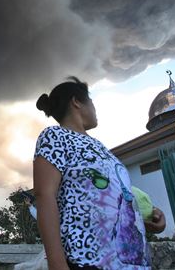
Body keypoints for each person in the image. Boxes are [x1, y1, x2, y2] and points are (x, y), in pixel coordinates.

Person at [33, 77, 151, 270]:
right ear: (76, 101)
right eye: (92, 101)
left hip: (133, 263)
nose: (95, 109)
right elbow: (44, 195)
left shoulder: (101, 149)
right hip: (90, 262)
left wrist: (146, 218)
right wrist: (57, 264)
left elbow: (116, 197)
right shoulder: (55, 136)